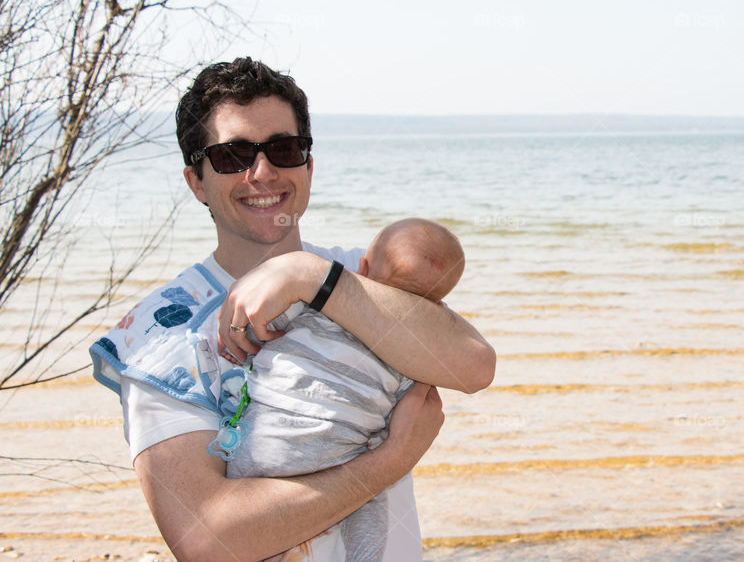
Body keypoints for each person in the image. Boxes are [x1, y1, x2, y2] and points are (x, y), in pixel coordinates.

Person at [89, 57, 495, 562]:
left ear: (308, 164)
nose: (262, 172)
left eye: (283, 149)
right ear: (196, 181)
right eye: (232, 155)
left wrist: (312, 278)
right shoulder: (161, 334)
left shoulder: (363, 275)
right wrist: (389, 462)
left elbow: (474, 366)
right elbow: (207, 539)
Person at [225, 217, 465, 562]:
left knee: (242, 499)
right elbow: (407, 412)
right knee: (371, 504)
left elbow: (265, 323)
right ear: (437, 307)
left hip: (266, 443)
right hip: (338, 456)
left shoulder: (319, 308)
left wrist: (248, 334)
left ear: (362, 269)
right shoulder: (408, 356)